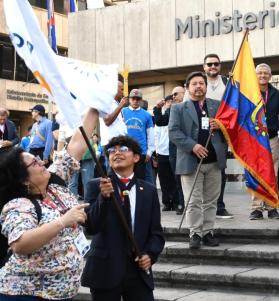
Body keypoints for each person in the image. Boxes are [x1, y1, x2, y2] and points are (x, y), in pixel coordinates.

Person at [0, 108, 99, 300]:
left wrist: (95, 108)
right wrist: (62, 221)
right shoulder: (18, 206)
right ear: (23, 180)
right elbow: (20, 243)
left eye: (36, 158)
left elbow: (77, 144)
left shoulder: (54, 182)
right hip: (26, 294)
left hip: (60, 292)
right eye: (34, 163)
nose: (40, 161)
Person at [82, 135, 165, 300]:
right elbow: (91, 226)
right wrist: (103, 198)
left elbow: (156, 233)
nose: (116, 153)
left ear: (136, 157)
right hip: (105, 270)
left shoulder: (148, 190)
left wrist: (150, 255)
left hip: (138, 271)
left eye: (123, 149)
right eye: (112, 151)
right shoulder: (96, 186)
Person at [169, 72, 228, 249]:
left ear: (206, 86)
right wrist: (193, 146)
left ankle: (208, 232)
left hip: (214, 161)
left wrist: (220, 126)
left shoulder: (218, 106)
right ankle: (195, 233)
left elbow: (231, 127)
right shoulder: (178, 108)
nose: (198, 86)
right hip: (190, 162)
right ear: (188, 88)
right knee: (193, 201)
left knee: (211, 201)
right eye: (194, 84)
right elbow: (173, 132)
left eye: (201, 83)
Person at [249, 63, 279, 220]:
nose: (262, 76)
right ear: (255, 75)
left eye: (265, 73)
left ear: (270, 76)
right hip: (254, 139)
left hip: (272, 139)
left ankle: (271, 208)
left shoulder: (277, 94)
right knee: (255, 173)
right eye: (259, 73)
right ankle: (256, 208)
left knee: (273, 174)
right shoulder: (247, 93)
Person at [203, 53, 233, 219]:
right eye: (209, 64)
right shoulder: (198, 81)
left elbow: (233, 109)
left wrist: (221, 124)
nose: (212, 67)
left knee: (219, 169)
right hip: (200, 133)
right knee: (200, 170)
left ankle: (219, 206)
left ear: (220, 66)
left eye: (216, 64)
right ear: (204, 67)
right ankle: (203, 206)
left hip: (221, 133)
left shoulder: (227, 83)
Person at [153, 86, 186, 215]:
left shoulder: (191, 107)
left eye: (176, 94)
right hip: (172, 151)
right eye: (172, 96)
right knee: (176, 179)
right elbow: (160, 122)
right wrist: (157, 108)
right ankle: (181, 204)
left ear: (185, 93)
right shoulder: (171, 111)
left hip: (189, 149)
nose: (173, 97)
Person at [122, 89, 155, 183]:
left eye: (138, 99)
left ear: (141, 100)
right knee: (126, 179)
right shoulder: (122, 112)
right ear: (129, 99)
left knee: (140, 181)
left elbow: (150, 134)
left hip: (141, 152)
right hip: (125, 151)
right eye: (133, 99)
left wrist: (150, 151)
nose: (135, 101)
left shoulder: (147, 115)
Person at [153, 95, 177, 211]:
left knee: (175, 179)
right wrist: (156, 154)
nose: (170, 104)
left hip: (174, 152)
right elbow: (155, 137)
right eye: (168, 102)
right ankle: (166, 203)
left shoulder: (176, 115)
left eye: (172, 102)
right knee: (164, 180)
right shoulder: (161, 118)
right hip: (162, 153)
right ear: (165, 103)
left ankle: (177, 202)